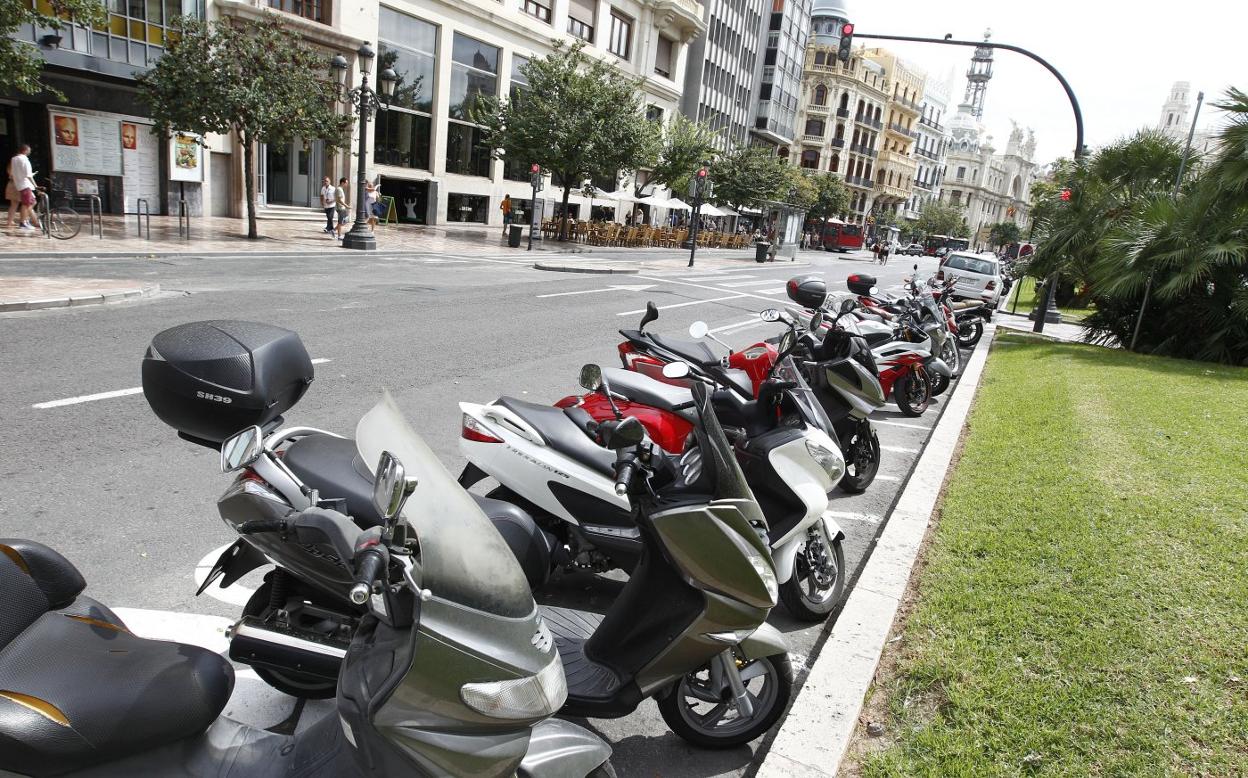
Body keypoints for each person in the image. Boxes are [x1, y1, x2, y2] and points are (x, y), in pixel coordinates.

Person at [7, 144, 39, 231]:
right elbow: (28, 175)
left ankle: (26, 220)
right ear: (25, 150)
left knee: (31, 202)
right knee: (27, 204)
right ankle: (23, 222)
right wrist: (36, 186)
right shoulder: (25, 160)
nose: (30, 152)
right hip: (25, 184)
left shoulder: (14, 159)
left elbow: (14, 172)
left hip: (19, 184)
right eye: (29, 150)